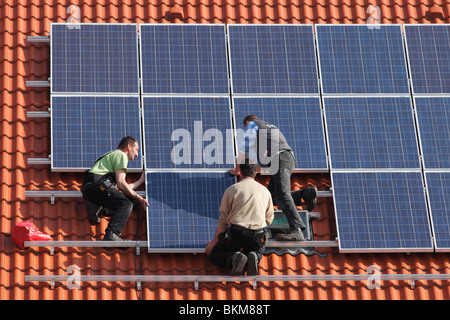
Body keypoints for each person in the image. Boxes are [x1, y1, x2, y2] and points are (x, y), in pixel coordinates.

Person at [229, 114, 317, 241]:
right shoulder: (268, 129)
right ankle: (306, 195)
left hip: (280, 159)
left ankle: (296, 229)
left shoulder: (252, 125)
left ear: (247, 122)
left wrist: (237, 170)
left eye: (244, 128)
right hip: (285, 159)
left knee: (282, 194)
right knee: (269, 198)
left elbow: (244, 148)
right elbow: (263, 163)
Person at [205, 160, 274, 276]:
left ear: (240, 171)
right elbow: (269, 219)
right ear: (255, 173)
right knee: (257, 249)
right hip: (257, 236)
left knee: (216, 254)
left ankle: (235, 258)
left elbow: (223, 219)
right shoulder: (265, 191)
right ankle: (255, 256)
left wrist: (214, 241)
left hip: (237, 234)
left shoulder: (232, 190)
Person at [81, 136, 149, 241]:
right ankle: (111, 234)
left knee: (132, 200)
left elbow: (123, 187)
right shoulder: (121, 155)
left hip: (94, 187)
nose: (137, 154)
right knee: (126, 204)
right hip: (98, 186)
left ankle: (98, 208)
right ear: (129, 147)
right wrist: (141, 198)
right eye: (136, 150)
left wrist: (140, 180)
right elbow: (121, 183)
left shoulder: (113, 155)